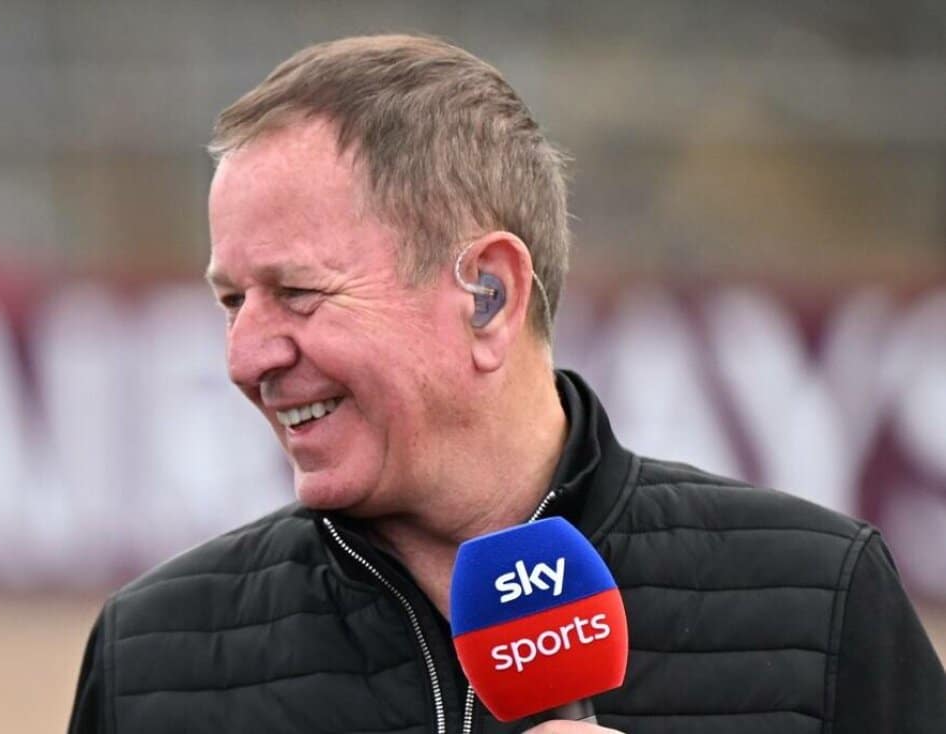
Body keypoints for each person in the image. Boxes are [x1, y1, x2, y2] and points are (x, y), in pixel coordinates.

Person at [68, 34, 946, 734]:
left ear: (487, 294)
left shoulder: (822, 606)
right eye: (232, 301)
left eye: (297, 293)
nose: (245, 358)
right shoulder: (151, 659)